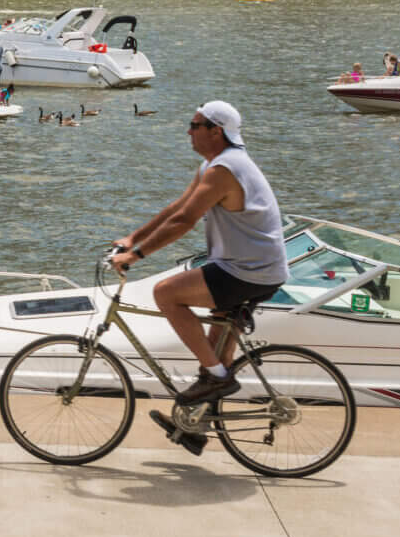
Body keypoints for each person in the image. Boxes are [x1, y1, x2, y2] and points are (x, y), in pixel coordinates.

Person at [108, 101, 286, 406]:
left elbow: (184, 221)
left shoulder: (225, 169)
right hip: (247, 266)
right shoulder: (212, 165)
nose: (188, 131)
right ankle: (196, 422)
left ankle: (218, 378)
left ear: (215, 131)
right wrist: (132, 238)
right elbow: (178, 207)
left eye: (194, 126)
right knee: (215, 352)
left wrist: (135, 255)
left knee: (166, 294)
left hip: (249, 270)